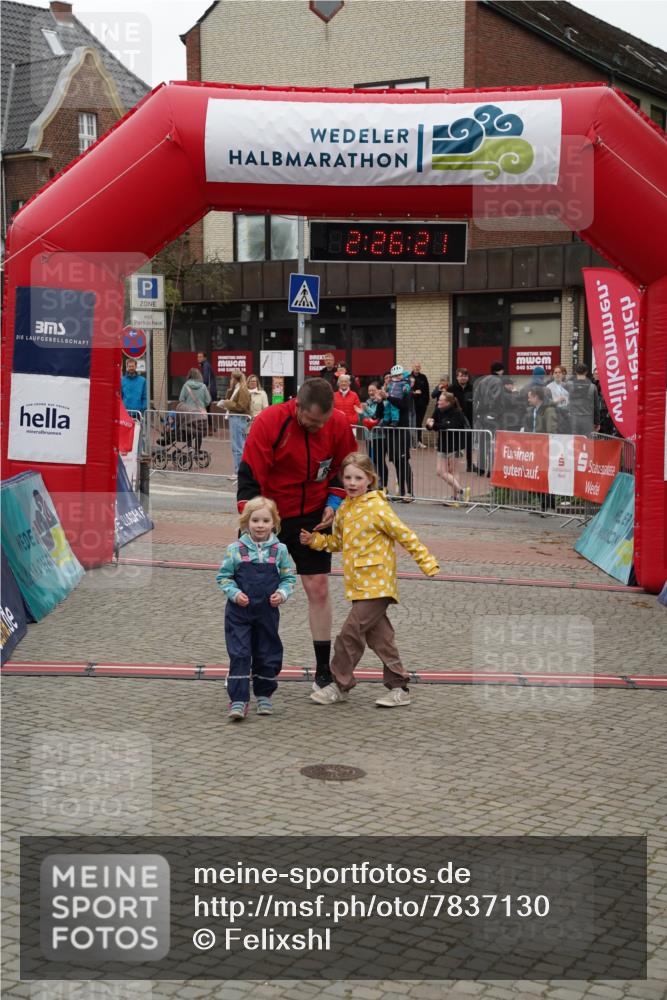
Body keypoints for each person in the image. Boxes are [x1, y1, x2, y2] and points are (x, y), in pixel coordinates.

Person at [237, 378, 357, 689]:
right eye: (312, 422)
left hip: (314, 516)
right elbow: (249, 478)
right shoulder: (269, 422)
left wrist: (334, 501)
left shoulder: (338, 425)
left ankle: (322, 669)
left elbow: (344, 470)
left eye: (324, 422)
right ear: (297, 407)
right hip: (272, 514)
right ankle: (252, 665)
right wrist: (254, 524)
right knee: (257, 593)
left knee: (318, 589)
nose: (319, 428)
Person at [300, 452, 439, 708]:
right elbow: (338, 542)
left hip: (378, 585)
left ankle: (339, 685)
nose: (352, 483)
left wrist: (426, 561)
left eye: (358, 478)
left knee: (348, 636)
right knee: (381, 638)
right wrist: (316, 541)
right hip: (358, 586)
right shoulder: (343, 509)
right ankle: (400, 688)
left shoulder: (377, 507)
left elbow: (405, 535)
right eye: (348, 477)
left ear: (370, 479)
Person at [216, 496, 296, 721]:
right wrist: (234, 593)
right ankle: (238, 699)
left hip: (267, 613)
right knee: (240, 653)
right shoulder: (236, 549)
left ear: (274, 523)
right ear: (246, 522)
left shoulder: (280, 550)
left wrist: (282, 594)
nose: (260, 525)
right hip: (238, 613)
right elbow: (223, 577)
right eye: (255, 520)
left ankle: (264, 694)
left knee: (267, 653)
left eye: (265, 521)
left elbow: (289, 578)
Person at [426, 392, 468, 504]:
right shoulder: (438, 410)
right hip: (442, 445)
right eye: (439, 399)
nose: (438, 402)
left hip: (456, 445)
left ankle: (455, 498)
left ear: (448, 402)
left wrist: (434, 425)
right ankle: (462, 491)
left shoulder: (457, 413)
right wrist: (429, 425)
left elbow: (448, 426)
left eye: (441, 400)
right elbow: (431, 423)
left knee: (453, 471)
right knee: (440, 471)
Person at [382, 364, 414, 501]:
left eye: (396, 376)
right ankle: (400, 492)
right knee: (395, 461)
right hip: (391, 429)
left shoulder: (405, 388)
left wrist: (388, 397)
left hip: (401, 428)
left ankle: (410, 492)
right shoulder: (389, 389)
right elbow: (384, 409)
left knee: (403, 461)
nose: (394, 379)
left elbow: (403, 405)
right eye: (392, 376)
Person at [525, 386, 557, 514]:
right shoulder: (534, 410)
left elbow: (551, 430)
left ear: (536, 397)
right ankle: (542, 506)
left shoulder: (548, 410)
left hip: (544, 448)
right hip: (535, 447)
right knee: (537, 477)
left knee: (546, 478)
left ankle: (550, 507)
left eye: (529, 397)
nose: (528, 399)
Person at [472, 361, 505, 475]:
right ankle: (491, 470)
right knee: (492, 443)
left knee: (482, 442)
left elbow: (476, 398)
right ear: (500, 371)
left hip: (481, 416)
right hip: (492, 416)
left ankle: (481, 469)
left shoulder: (482, 380)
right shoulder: (498, 381)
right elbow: (497, 399)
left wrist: (478, 413)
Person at [217, 369, 252, 474]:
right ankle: (238, 470)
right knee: (236, 446)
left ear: (235, 379)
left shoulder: (242, 389)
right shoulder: (236, 389)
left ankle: (239, 472)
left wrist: (227, 403)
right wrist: (229, 393)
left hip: (238, 418)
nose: (230, 380)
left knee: (238, 447)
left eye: (231, 378)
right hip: (235, 418)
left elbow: (242, 406)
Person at [355, 381, 387, 489]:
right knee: (371, 460)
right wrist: (360, 413)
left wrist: (366, 410)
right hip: (369, 436)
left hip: (379, 436)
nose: (371, 392)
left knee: (380, 461)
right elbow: (364, 420)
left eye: (373, 390)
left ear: (378, 390)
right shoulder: (368, 401)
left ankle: (383, 484)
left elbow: (375, 417)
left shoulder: (383, 402)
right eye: (369, 390)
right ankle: (373, 482)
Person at [447, 368, 474, 470]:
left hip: (470, 418)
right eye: (461, 375)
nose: (463, 378)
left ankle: (469, 465)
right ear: (457, 377)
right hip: (456, 418)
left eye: (465, 376)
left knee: (469, 442)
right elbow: (447, 402)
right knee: (454, 442)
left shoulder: (472, 388)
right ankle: (451, 464)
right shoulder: (451, 389)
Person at [565, 364, 600, 436]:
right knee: (587, 441)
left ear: (575, 372)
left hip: (573, 418)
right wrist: (597, 422)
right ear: (586, 372)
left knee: (574, 441)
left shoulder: (569, 385)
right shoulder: (592, 387)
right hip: (588, 419)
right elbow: (596, 406)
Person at [410, 362, 430, 445]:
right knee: (411, 423)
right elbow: (406, 390)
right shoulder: (409, 377)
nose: (417, 368)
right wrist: (414, 393)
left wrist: (426, 401)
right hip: (412, 404)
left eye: (418, 366)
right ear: (412, 367)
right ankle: (411, 442)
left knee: (419, 422)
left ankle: (419, 441)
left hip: (422, 404)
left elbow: (427, 389)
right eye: (415, 366)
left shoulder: (423, 377)